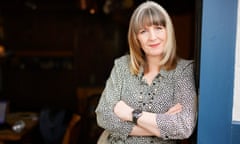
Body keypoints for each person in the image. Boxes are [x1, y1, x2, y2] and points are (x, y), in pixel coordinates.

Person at [95, 1, 197, 143]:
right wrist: (160, 125)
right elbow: (103, 115)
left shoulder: (183, 70)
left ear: (168, 31)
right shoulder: (122, 66)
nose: (152, 37)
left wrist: (131, 114)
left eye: (158, 28)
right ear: (136, 38)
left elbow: (183, 126)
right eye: (144, 31)